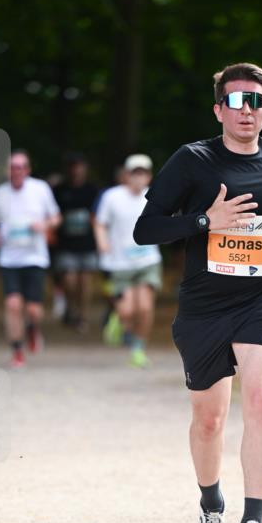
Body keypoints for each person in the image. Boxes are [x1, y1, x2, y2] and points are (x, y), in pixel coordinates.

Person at [133, 63, 262, 523]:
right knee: (210, 420)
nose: (246, 111)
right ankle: (211, 506)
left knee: (260, 399)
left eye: (255, 102)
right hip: (205, 305)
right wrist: (205, 220)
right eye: (236, 102)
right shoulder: (192, 161)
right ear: (218, 110)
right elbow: (145, 230)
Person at [0, 150, 61, 369]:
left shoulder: (40, 189)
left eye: (20, 167)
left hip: (35, 257)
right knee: (13, 304)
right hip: (9, 259)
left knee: (33, 310)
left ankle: (33, 328)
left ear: (27, 169)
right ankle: (17, 351)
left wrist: (45, 225)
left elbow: (56, 217)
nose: (16, 171)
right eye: (12, 167)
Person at [95, 154, 162, 368]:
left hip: (147, 260)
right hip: (120, 262)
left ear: (149, 177)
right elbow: (99, 223)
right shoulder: (112, 197)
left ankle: (138, 348)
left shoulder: (154, 197)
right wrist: (102, 242)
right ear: (126, 175)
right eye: (135, 173)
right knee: (127, 310)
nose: (138, 178)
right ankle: (118, 320)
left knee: (144, 307)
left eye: (143, 173)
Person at [52, 153, 100, 333]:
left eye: (80, 166)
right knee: (70, 279)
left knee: (86, 282)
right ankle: (70, 306)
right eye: (74, 166)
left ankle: (82, 315)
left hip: (88, 244)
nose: (77, 170)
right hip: (66, 244)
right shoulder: (59, 190)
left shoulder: (92, 190)